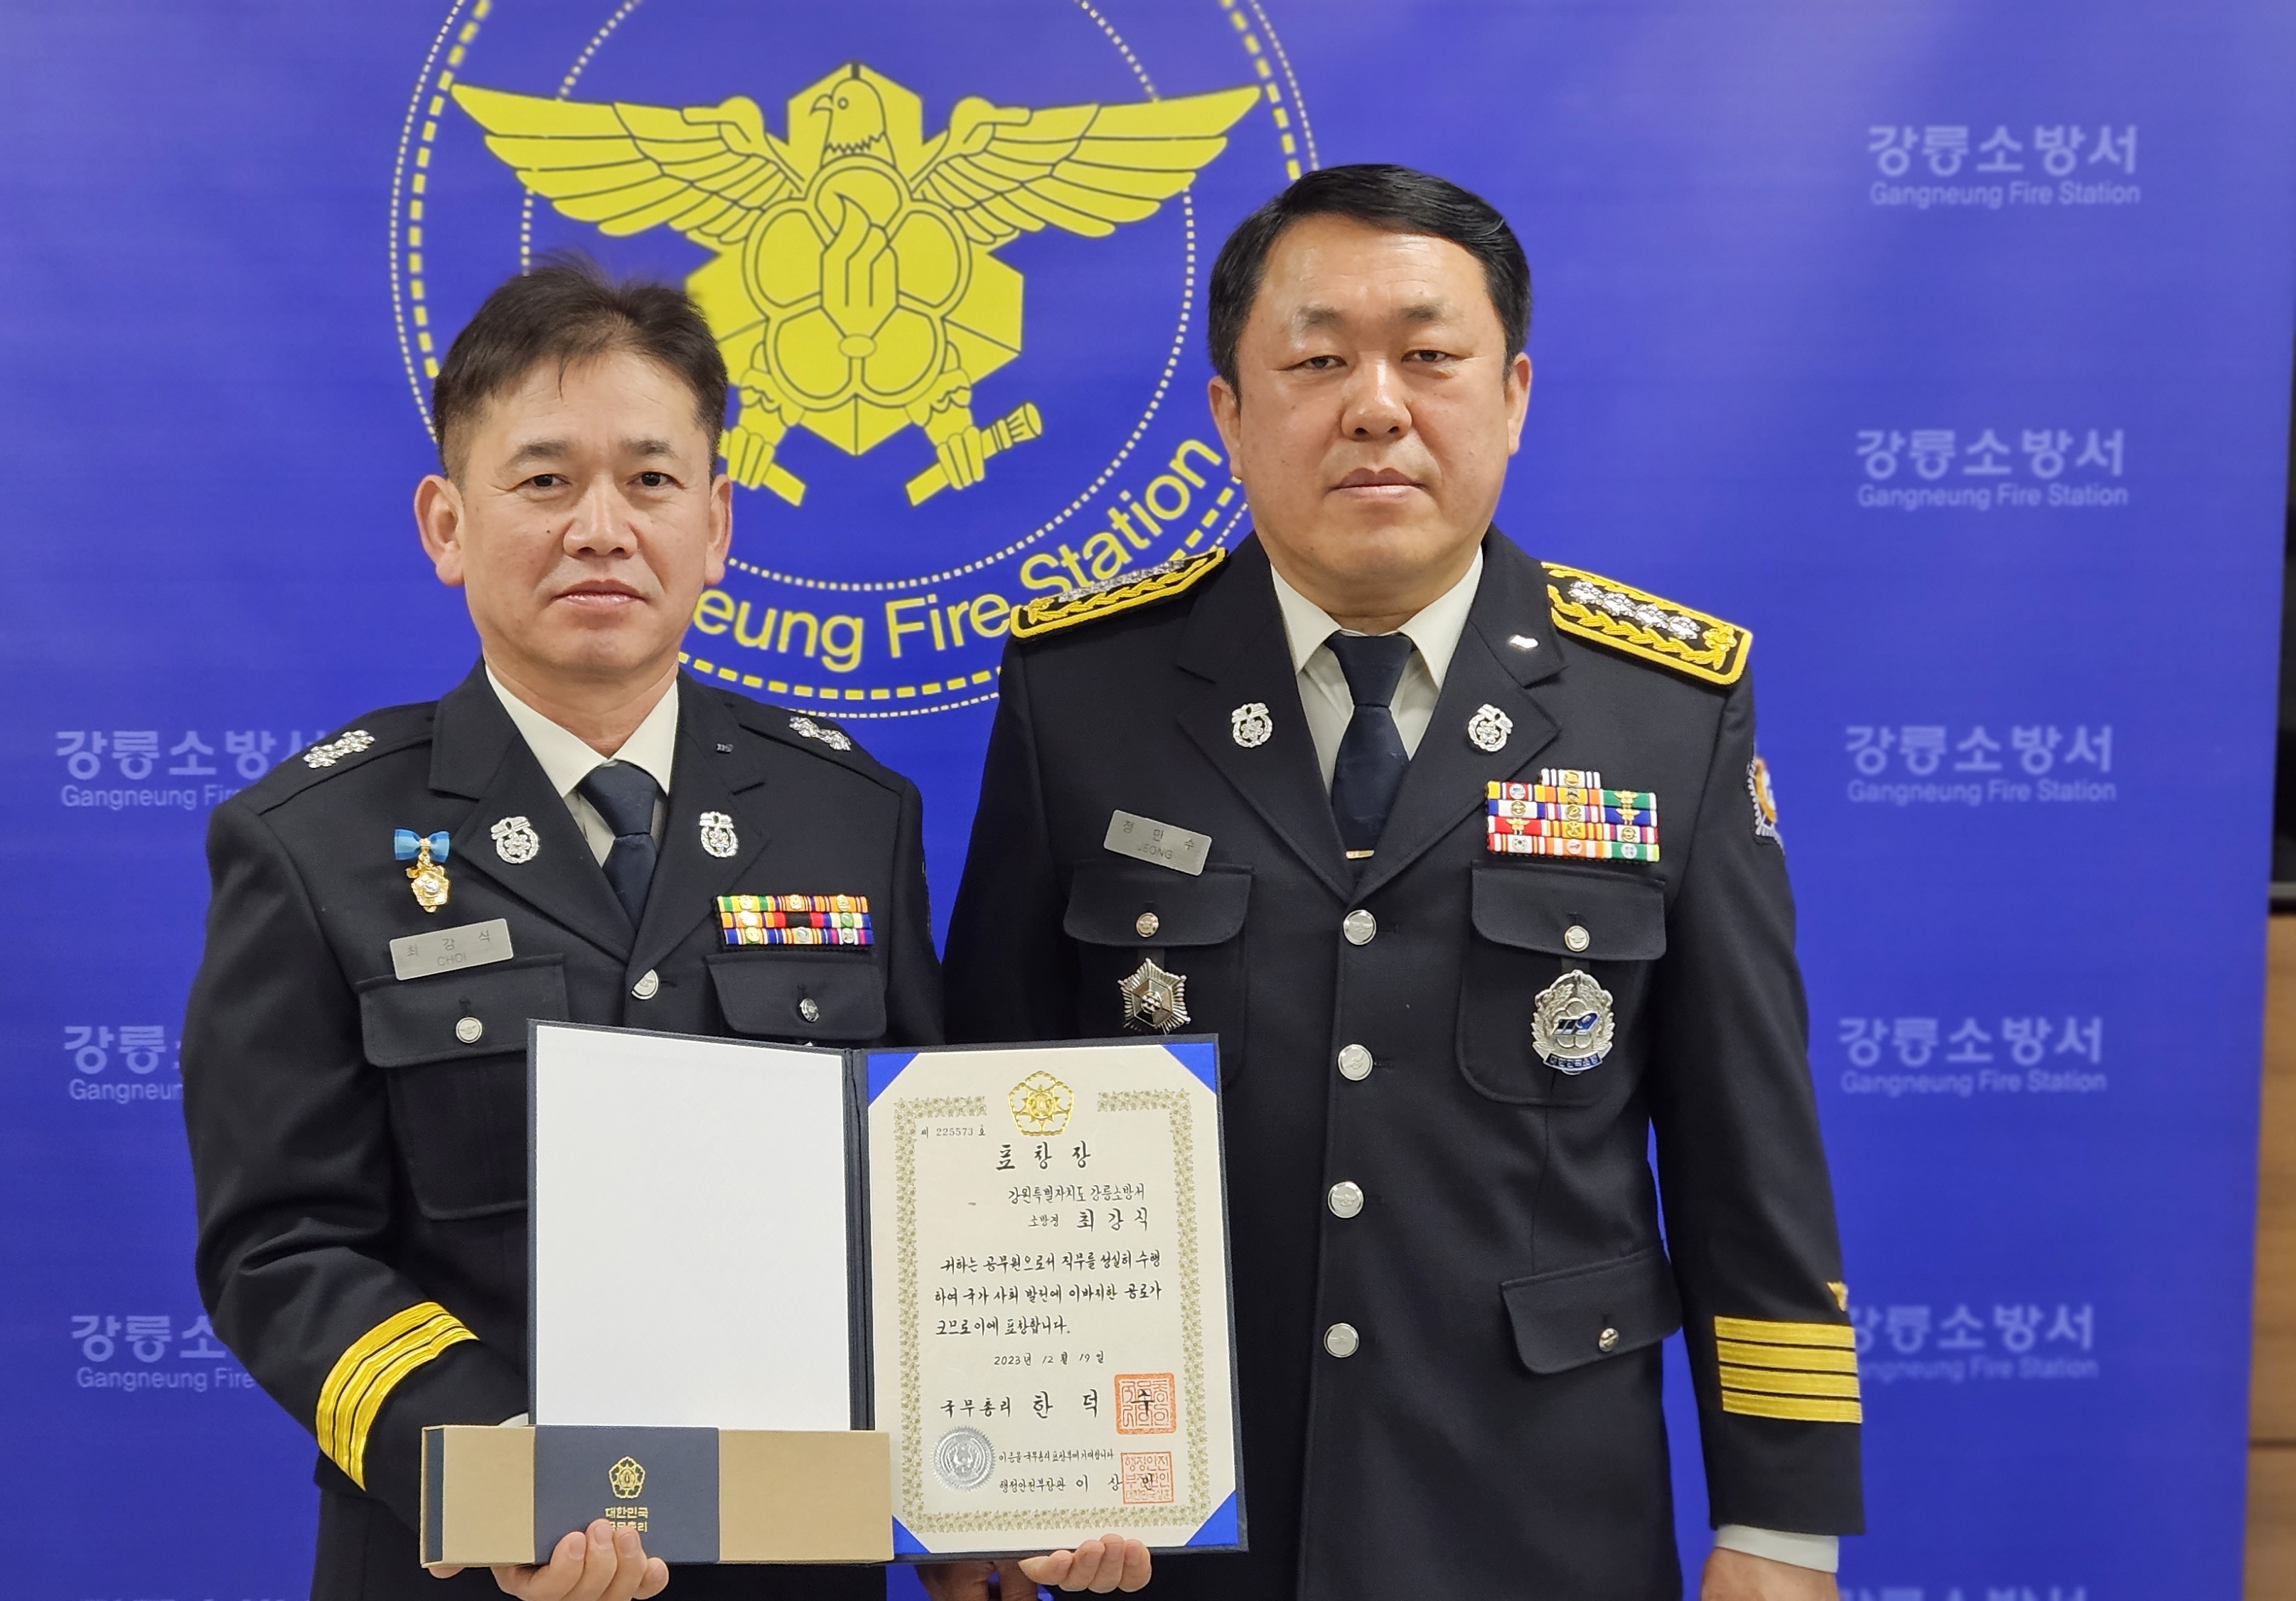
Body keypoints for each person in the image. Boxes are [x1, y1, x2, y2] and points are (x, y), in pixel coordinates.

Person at [943, 166, 1861, 1600]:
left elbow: (1749, 1154)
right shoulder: (1082, 697)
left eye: (1429, 356)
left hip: (1536, 1519)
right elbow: (985, 1108)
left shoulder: (1662, 714)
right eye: (1317, 362)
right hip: (1171, 1532)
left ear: (1513, 395)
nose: (1376, 406)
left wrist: (1779, 1521)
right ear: (1228, 412)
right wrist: (973, 1493)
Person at [181, 262, 1146, 1601]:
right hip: (467, 1558)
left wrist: (993, 1492)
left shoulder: (849, 816)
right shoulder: (312, 841)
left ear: (717, 523)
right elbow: (279, 1246)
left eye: (649, 480)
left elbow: (931, 1200)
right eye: (543, 481)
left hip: (786, 1565)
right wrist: (501, 1470)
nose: (601, 528)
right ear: (447, 524)